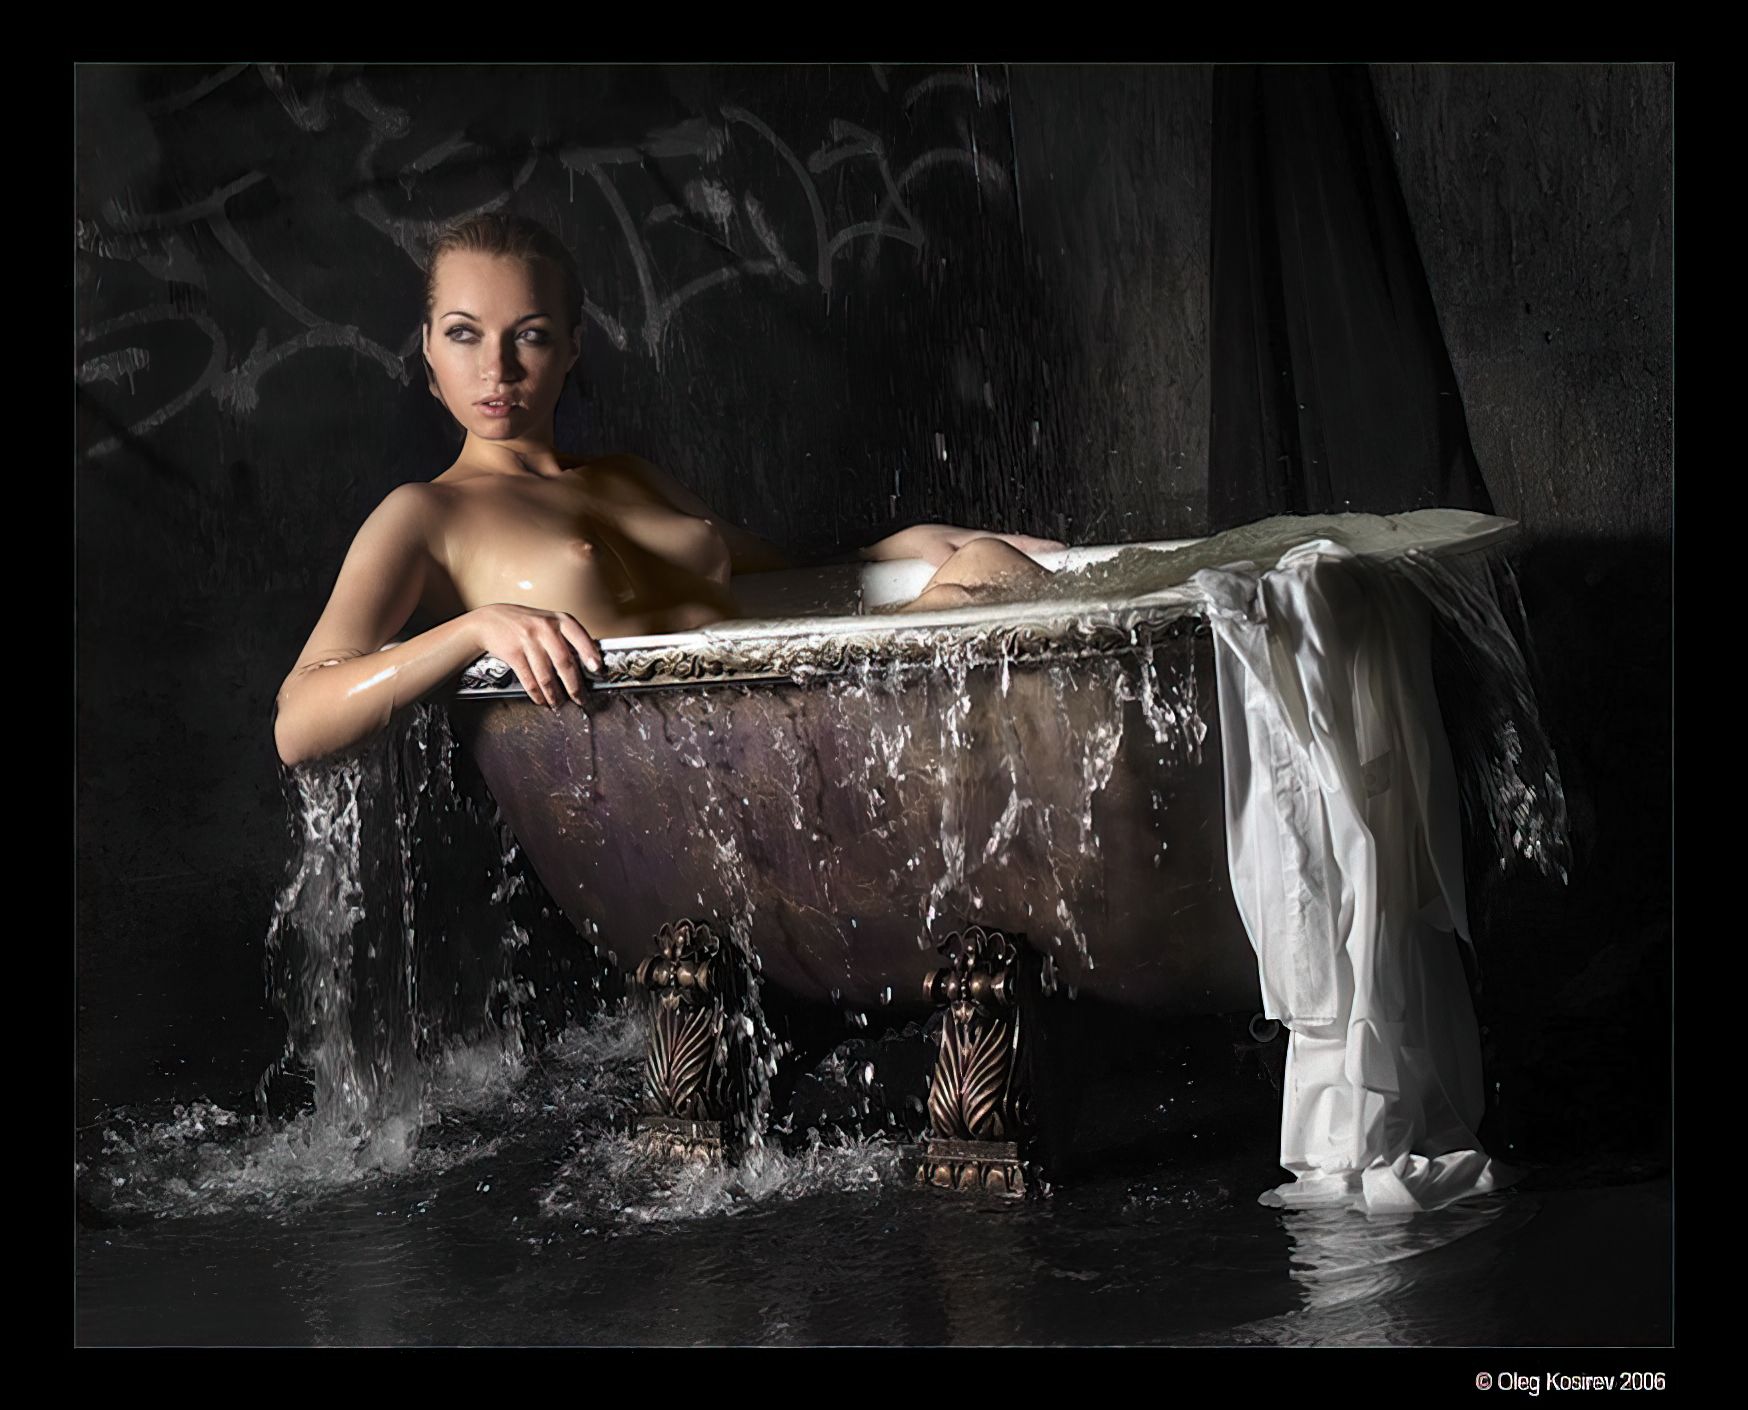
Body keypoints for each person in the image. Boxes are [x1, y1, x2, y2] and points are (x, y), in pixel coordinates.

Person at [273, 214, 1063, 770]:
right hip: (680, 770)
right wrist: (476, 628)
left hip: (807, 724)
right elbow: (299, 721)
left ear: (572, 348)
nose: (498, 369)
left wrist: (905, 546)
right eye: (464, 333)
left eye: (531, 336)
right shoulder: (424, 514)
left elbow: (787, 573)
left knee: (988, 563)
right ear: (428, 351)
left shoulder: (627, 476)